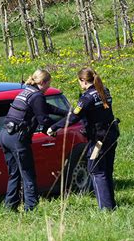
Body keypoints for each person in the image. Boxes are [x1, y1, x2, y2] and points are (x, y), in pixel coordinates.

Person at [47, 68, 120, 210]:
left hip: (99, 140)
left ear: (83, 80)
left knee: (95, 170)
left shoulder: (87, 98)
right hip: (111, 135)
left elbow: (75, 116)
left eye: (79, 81)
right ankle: (111, 204)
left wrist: (55, 127)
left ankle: (106, 208)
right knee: (106, 170)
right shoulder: (104, 90)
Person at [0, 69, 68, 211]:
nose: (48, 88)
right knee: (28, 174)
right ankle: (31, 209)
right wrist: (53, 129)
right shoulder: (37, 95)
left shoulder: (26, 91)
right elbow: (43, 119)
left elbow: (45, 107)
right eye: (48, 85)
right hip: (17, 138)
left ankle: (9, 207)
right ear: (42, 83)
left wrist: (66, 112)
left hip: (5, 135)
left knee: (14, 174)